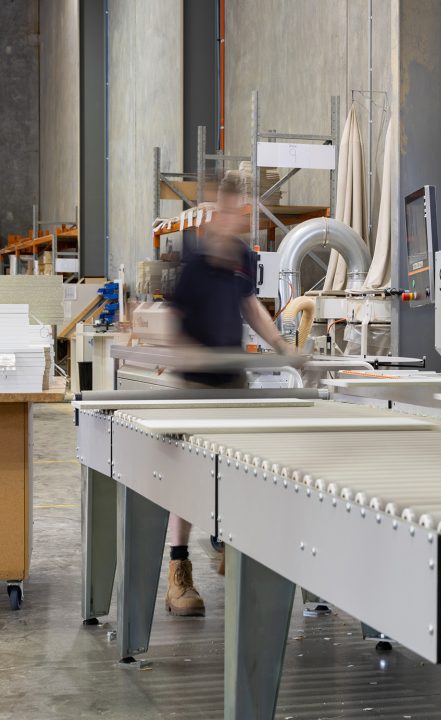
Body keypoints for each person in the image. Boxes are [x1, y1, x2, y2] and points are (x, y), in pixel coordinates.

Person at [163, 172, 295, 616]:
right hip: (196, 385)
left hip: (233, 380)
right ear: (216, 210)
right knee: (187, 477)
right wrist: (190, 356)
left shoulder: (242, 256)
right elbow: (172, 321)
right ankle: (178, 570)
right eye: (231, 209)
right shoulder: (195, 263)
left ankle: (230, 546)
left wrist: (280, 346)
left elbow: (250, 303)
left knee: (235, 468)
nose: (237, 219)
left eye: (243, 212)